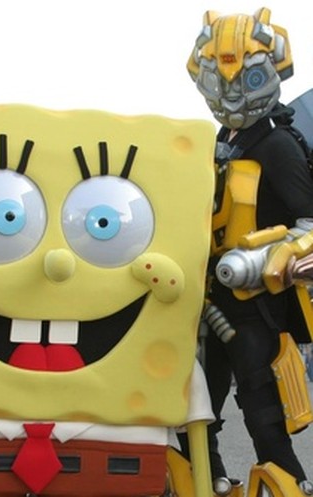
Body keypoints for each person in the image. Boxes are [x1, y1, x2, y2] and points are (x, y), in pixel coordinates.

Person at [184, 7, 313, 496]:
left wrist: (271, 259)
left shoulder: (278, 145)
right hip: (209, 301)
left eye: (248, 78)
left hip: (255, 303)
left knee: (262, 408)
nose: (233, 92)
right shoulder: (220, 143)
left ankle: (290, 482)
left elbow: (310, 221)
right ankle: (212, 477)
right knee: (197, 405)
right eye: (220, 80)